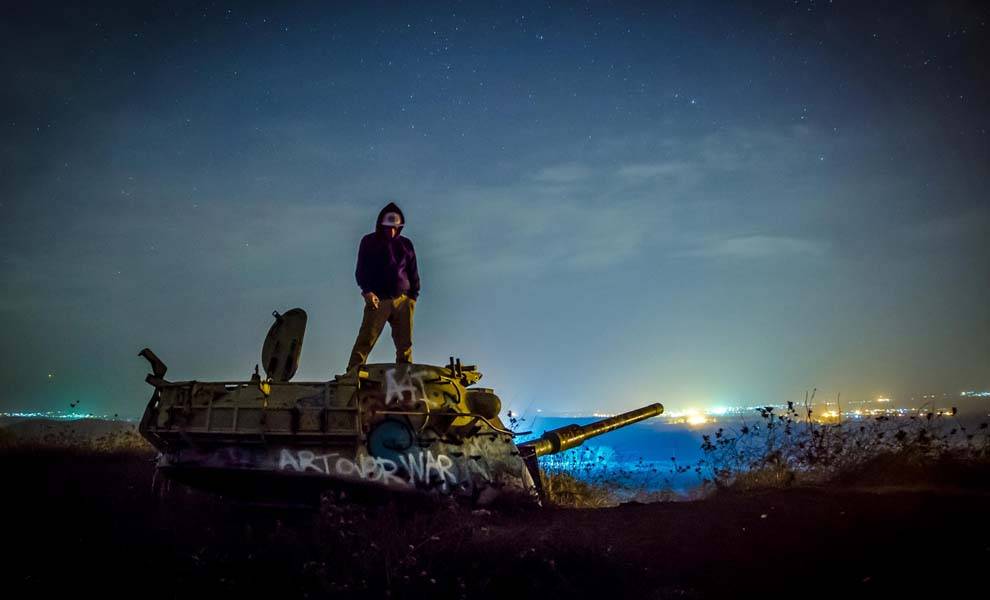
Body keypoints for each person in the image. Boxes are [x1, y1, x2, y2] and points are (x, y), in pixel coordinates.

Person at [346, 202, 420, 372]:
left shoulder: (406, 244)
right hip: (378, 299)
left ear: (400, 227)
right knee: (366, 340)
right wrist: (367, 292)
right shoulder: (369, 241)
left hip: (403, 300)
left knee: (405, 344)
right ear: (381, 225)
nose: (391, 231)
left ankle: (404, 377)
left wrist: (413, 297)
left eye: (395, 228)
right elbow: (361, 270)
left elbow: (413, 271)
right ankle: (352, 374)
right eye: (388, 228)